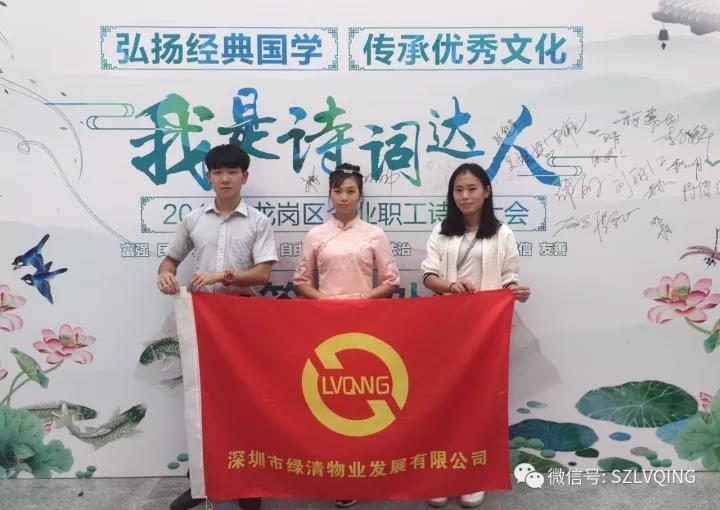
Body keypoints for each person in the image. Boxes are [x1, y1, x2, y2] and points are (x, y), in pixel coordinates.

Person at [157, 144, 278, 510]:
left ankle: (248, 484)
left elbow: (263, 274)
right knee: (203, 402)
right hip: (202, 323)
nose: (225, 179)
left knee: (245, 402)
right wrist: (165, 276)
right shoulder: (193, 220)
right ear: (208, 176)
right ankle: (200, 483)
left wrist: (222, 276)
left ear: (245, 176)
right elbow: (169, 261)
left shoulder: (258, 222)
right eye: (218, 172)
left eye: (232, 172)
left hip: (242, 322)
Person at [420, 162, 530, 508]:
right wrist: (450, 285)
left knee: (480, 402)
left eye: (472, 189)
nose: (465, 196)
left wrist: (516, 291)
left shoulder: (502, 234)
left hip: (486, 332)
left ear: (486, 192)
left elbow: (509, 277)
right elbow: (428, 276)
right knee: (444, 400)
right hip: (448, 328)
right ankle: (442, 472)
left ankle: (473, 475)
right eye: (458, 190)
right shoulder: (441, 231)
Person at [293, 162, 400, 507]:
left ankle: (362, 470)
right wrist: (323, 301)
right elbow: (300, 280)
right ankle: (333, 471)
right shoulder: (316, 235)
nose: (343, 197)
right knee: (328, 399)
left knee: (361, 401)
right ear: (330, 194)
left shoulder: (374, 234)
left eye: (350, 191)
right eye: (338, 190)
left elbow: (391, 280)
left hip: (365, 325)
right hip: (324, 325)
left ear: (360, 195)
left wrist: (363, 299)